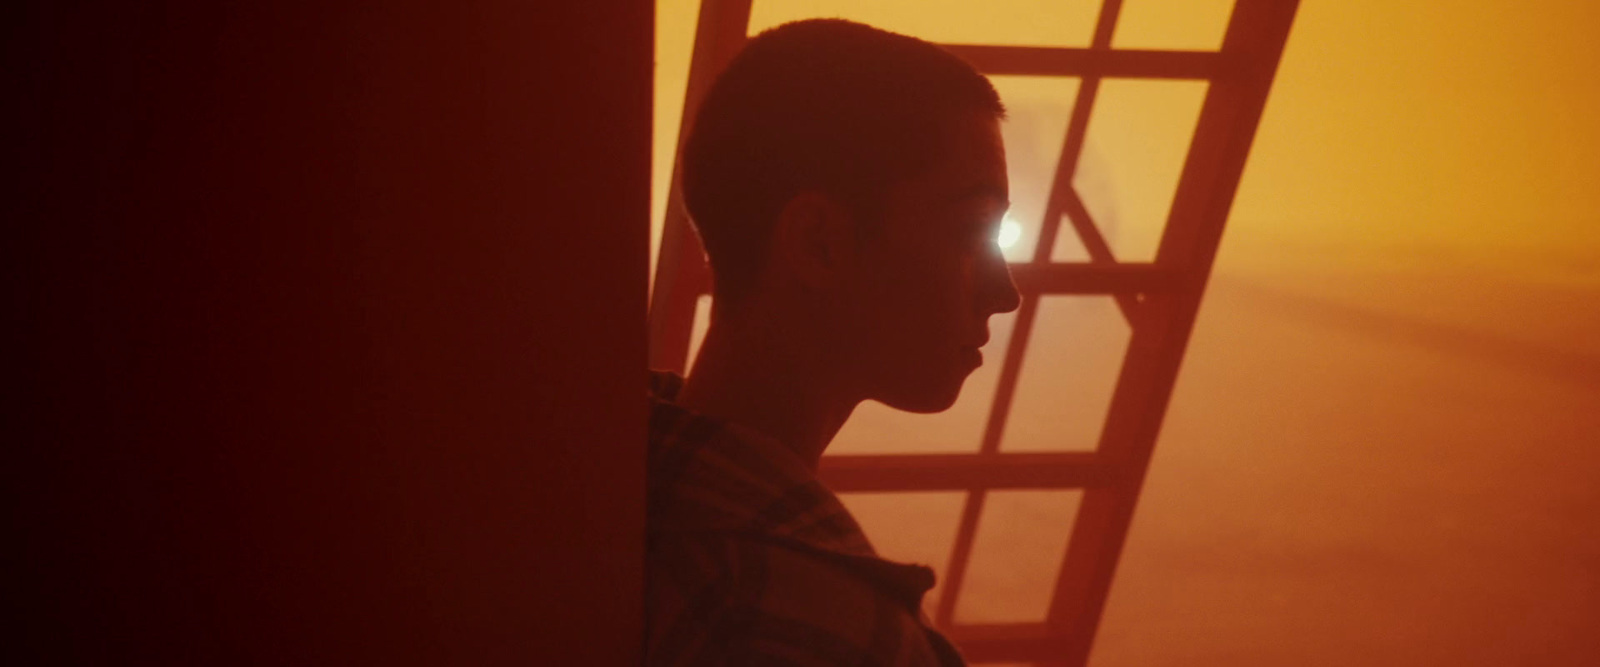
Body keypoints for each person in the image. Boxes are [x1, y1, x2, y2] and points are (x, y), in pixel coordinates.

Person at [646, 18, 1021, 666]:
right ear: (818, 243)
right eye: (972, 232)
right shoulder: (809, 624)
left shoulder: (603, 482)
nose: (1005, 292)